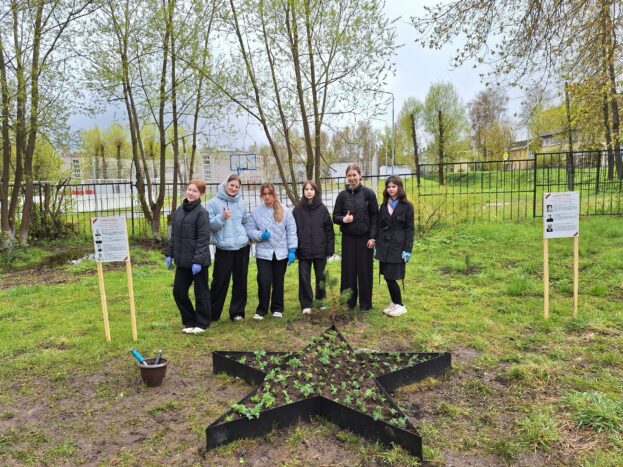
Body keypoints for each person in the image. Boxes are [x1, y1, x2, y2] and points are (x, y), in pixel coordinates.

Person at [165, 179, 211, 334]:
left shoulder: (202, 214)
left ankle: (202, 323)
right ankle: (189, 320)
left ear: (201, 194)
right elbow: (174, 236)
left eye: (195, 191)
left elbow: (203, 240)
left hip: (198, 262)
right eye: (189, 189)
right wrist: (169, 253)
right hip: (182, 261)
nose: (191, 193)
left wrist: (197, 261)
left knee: (201, 293)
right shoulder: (179, 210)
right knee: (178, 292)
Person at [246, 183, 298, 320]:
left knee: (278, 281)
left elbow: (291, 231)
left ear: (274, 194)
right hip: (264, 253)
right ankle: (261, 310)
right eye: (264, 194)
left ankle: (277, 308)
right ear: (261, 195)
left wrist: (292, 249)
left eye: (270, 193)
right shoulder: (256, 212)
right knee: (264, 281)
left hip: (281, 253)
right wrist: (260, 235)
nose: (267, 196)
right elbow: (250, 230)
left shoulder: (285, 211)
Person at [332, 164, 378, 311]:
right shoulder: (342, 195)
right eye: (349, 175)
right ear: (347, 177)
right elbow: (335, 216)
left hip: (365, 239)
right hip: (348, 239)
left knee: (365, 271)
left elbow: (375, 217)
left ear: (360, 175)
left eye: (354, 175)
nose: (352, 178)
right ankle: (348, 302)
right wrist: (343, 220)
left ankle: (365, 304)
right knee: (348, 271)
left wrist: (373, 237)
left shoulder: (369, 194)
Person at [206, 174, 250, 322]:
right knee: (219, 281)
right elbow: (210, 226)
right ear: (225, 184)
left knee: (240, 281)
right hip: (224, 248)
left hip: (242, 247)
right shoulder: (212, 203)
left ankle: (237, 312)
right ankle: (212, 313)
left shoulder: (241, 203)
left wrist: (248, 237)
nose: (234, 188)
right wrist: (222, 217)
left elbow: (245, 222)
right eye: (232, 185)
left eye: (237, 187)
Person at [292, 180, 335, 314]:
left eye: (311, 189)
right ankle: (306, 304)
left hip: (320, 250)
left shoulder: (322, 209)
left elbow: (329, 230)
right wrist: (295, 249)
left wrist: (330, 248)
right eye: (306, 189)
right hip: (303, 249)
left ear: (316, 191)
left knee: (320, 277)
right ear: (303, 192)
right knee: (304, 277)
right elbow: (293, 231)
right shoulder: (297, 210)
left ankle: (321, 301)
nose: (309, 192)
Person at [375, 175, 414, 317]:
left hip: (398, 245)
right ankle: (394, 302)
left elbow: (410, 229)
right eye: (388, 187)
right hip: (384, 245)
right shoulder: (384, 205)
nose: (391, 189)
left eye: (394, 186)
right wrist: (377, 242)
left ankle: (400, 305)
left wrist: (407, 249)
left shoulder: (407, 206)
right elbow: (379, 225)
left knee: (392, 276)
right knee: (386, 275)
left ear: (399, 187)